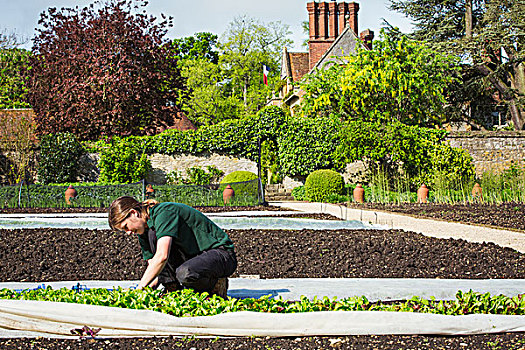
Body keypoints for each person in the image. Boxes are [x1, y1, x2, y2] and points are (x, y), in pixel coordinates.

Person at [108, 196, 237, 298]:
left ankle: (215, 284)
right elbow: (154, 266)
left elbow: (162, 257)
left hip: (220, 255)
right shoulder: (144, 231)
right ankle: (173, 289)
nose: (128, 233)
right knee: (153, 236)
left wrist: (139, 288)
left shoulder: (164, 213)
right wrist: (146, 292)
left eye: (126, 227)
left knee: (186, 273)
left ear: (134, 213)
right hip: (193, 258)